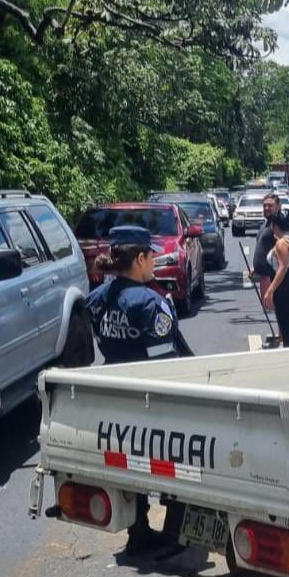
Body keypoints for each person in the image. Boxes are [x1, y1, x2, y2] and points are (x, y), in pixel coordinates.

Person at [86, 225, 192, 553]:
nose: (155, 265)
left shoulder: (96, 299)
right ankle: (174, 534)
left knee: (128, 466)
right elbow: (165, 364)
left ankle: (139, 532)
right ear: (141, 258)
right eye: (152, 259)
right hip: (152, 398)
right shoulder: (150, 303)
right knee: (174, 464)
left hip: (116, 394)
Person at [262, 208, 289, 347]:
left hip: (285, 291)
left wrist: (270, 290)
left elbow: (283, 267)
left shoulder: (282, 244)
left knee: (288, 329)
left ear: (275, 225)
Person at [251, 193, 280, 308]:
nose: (267, 208)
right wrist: (255, 267)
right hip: (264, 276)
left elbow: (282, 250)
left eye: (270, 205)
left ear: (278, 207)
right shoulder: (266, 224)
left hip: (271, 278)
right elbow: (264, 247)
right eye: (264, 205)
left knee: (276, 315)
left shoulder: (277, 225)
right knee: (269, 311)